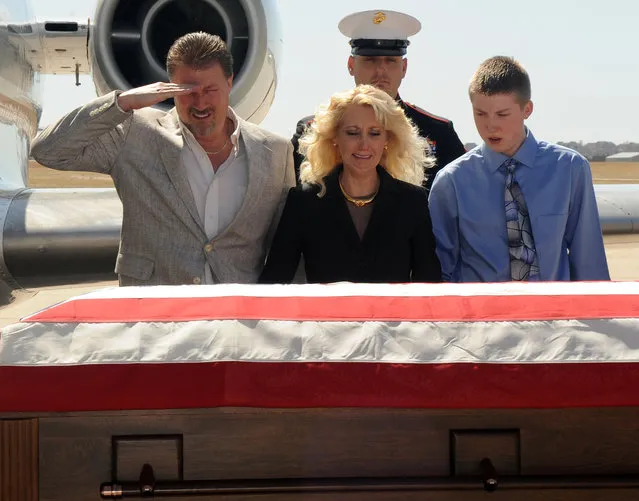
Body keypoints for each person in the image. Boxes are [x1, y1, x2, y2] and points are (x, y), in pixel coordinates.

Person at [31, 32, 295, 286]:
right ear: (168, 88)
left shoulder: (275, 151)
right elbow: (49, 151)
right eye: (187, 90)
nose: (200, 102)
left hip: (236, 321)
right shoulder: (135, 133)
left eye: (210, 89)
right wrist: (121, 103)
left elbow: (290, 249)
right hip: (153, 321)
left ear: (229, 82)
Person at [428, 56, 610, 282]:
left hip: (555, 314)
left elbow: (589, 261)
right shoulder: (452, 181)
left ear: (527, 109)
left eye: (502, 114)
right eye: (480, 113)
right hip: (481, 315)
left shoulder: (570, 169)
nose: (490, 125)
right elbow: (440, 270)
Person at [259, 85, 442, 284]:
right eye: (353, 133)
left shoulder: (412, 201)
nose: (364, 144)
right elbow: (274, 282)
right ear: (335, 137)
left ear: (388, 139)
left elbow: (429, 285)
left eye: (374, 133)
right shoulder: (304, 201)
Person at [291, 9, 465, 189]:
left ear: (404, 67)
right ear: (351, 65)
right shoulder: (313, 133)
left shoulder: (438, 132)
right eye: (370, 60)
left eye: (390, 61)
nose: (381, 71)